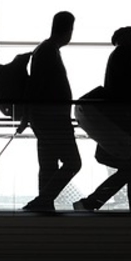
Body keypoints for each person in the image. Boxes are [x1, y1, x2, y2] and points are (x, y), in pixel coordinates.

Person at [75, 26, 131, 212]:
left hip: (128, 120)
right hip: (130, 121)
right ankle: (93, 203)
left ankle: (101, 203)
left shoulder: (119, 57)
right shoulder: (127, 56)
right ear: (127, 40)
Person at [22, 11, 81, 212]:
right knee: (73, 162)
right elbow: (37, 87)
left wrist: (28, 116)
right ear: (67, 30)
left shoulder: (45, 50)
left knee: (48, 165)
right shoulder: (48, 51)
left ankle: (44, 204)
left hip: (44, 118)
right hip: (53, 119)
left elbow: (35, 86)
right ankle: (42, 202)